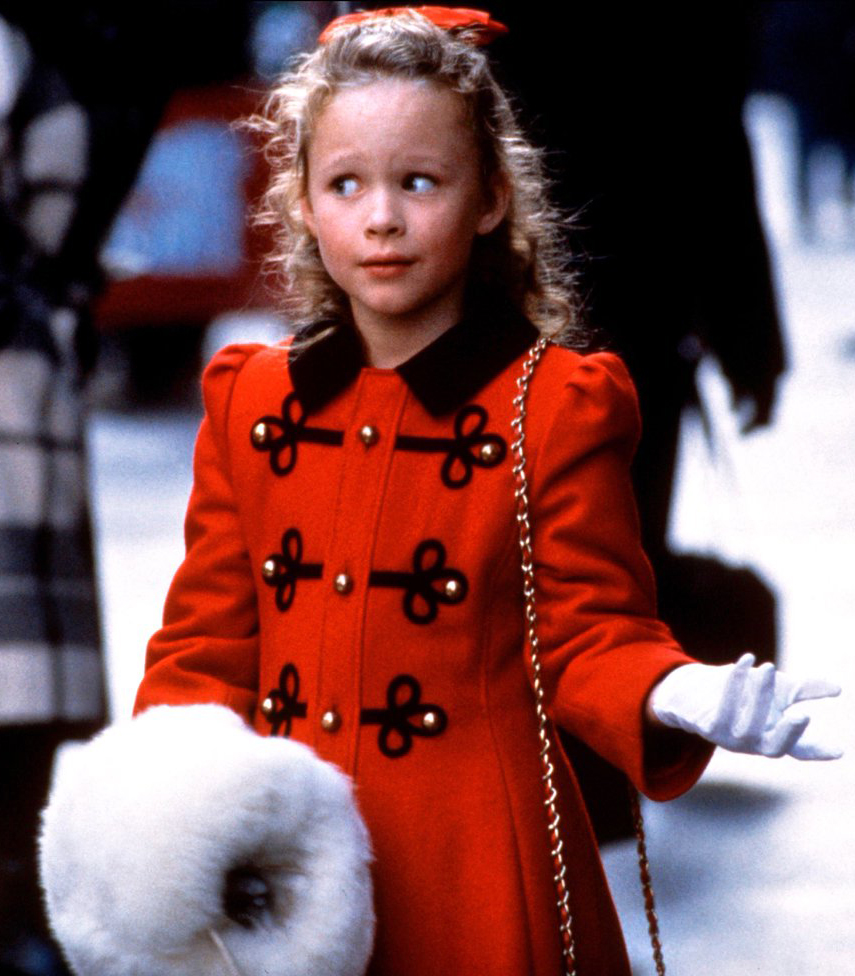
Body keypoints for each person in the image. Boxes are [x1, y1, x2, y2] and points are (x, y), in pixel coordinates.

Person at [121, 8, 839, 976]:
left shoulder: (557, 407)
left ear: (492, 197)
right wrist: (160, 826)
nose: (381, 218)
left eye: (419, 181)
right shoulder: (251, 400)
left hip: (477, 878)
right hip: (290, 889)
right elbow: (202, 648)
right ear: (302, 202)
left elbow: (589, 635)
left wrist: (679, 690)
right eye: (345, 184)